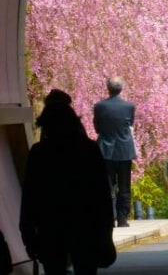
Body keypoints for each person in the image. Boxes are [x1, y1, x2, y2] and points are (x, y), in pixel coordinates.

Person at [20, 92, 116, 275]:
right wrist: (106, 230)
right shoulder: (89, 149)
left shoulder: (40, 153)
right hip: (85, 225)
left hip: (50, 227)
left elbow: (29, 197)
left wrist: (28, 236)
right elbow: (102, 193)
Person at [93, 76, 137, 228]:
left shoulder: (99, 106)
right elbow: (130, 124)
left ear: (108, 88)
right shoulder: (129, 106)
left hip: (105, 150)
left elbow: (97, 128)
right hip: (124, 151)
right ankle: (123, 219)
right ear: (121, 88)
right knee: (124, 185)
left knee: (106, 186)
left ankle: (109, 217)